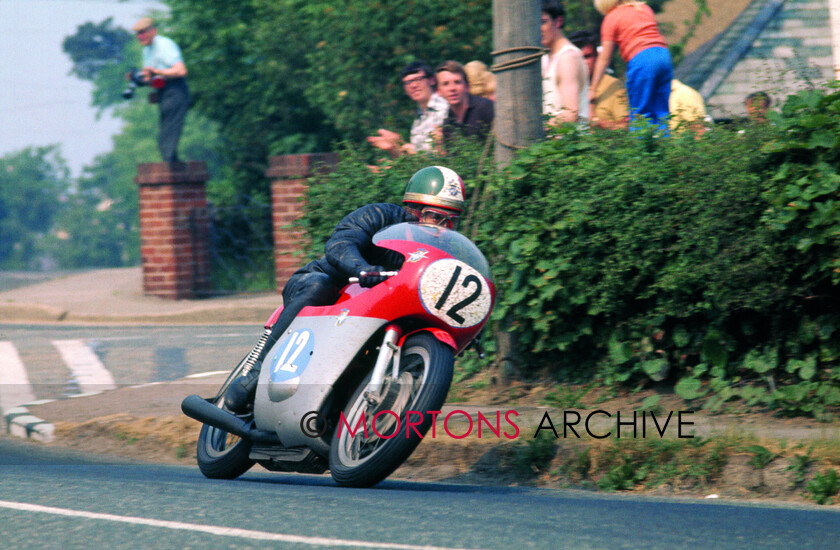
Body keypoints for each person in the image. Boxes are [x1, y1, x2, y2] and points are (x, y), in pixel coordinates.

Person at [224, 166, 467, 413]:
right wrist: (361, 268)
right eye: (436, 217)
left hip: (374, 312)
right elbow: (342, 243)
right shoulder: (380, 216)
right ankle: (256, 374)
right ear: (414, 210)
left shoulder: (443, 253)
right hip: (325, 288)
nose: (444, 227)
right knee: (321, 285)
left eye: (451, 220)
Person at [590, 0, 672, 130]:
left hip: (642, 59)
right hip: (663, 55)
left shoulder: (611, 18)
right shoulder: (643, 8)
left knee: (639, 114)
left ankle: (641, 148)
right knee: (661, 113)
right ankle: (665, 146)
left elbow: (604, 59)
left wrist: (593, 89)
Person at [132, 17, 190, 163]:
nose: (140, 37)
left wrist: (157, 71)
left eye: (143, 33)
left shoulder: (164, 45)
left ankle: (171, 165)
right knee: (165, 133)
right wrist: (139, 79)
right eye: (138, 34)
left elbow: (181, 71)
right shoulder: (147, 50)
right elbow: (150, 75)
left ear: (153, 31)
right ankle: (172, 163)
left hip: (176, 90)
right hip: (164, 92)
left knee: (169, 133)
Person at [367, 61, 449, 157]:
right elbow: (417, 162)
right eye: (408, 82)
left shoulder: (445, 108)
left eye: (418, 79)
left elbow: (443, 154)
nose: (413, 86)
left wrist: (407, 147)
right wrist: (394, 148)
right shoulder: (419, 117)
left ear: (431, 80)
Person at [540, 1, 590, 125]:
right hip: (552, 142)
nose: (538, 29)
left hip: (572, 142)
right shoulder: (544, 58)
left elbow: (571, 113)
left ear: (558, 21)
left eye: (543, 22)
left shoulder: (568, 58)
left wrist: (538, 130)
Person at [568, 30, 628, 129]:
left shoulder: (612, 85)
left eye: (587, 57)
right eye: (578, 58)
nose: (583, 62)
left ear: (597, 57)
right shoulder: (566, 86)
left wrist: (596, 121)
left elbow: (626, 127)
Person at [435, 60, 495, 147]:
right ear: (439, 91)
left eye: (457, 82)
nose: (452, 88)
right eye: (445, 84)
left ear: (467, 86)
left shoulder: (487, 108)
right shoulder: (448, 125)